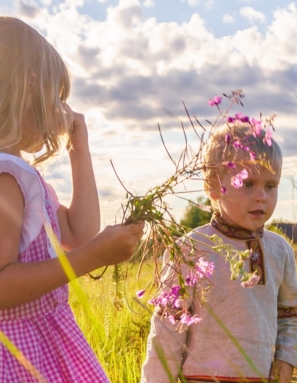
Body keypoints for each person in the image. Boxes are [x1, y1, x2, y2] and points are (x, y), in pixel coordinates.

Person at [0, 16, 144, 383]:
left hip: (43, 340)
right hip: (18, 352)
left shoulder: (24, 175)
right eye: (58, 96)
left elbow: (78, 232)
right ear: (33, 88)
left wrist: (80, 146)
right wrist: (91, 258)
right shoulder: (5, 177)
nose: (63, 110)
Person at [141, 120, 297, 382]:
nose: (261, 196)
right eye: (248, 183)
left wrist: (287, 358)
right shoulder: (189, 249)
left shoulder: (279, 249)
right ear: (213, 187)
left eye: (270, 185)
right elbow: (167, 331)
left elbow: (290, 315)